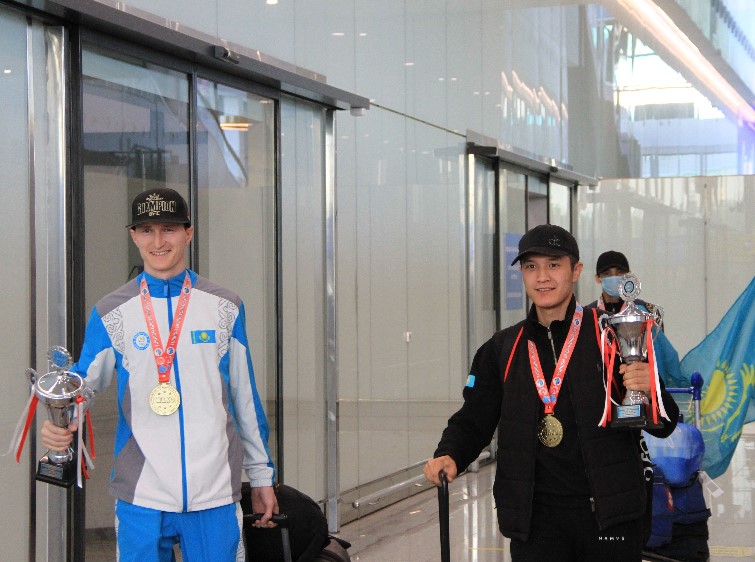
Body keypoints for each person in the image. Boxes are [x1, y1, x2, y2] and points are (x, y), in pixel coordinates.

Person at [40, 187, 277, 561]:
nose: (158, 241)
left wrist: (261, 476)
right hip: (141, 495)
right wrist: (60, 424)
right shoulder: (111, 312)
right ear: (133, 236)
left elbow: (244, 399)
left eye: (169, 229)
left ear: (188, 233)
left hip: (214, 491)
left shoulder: (225, 306)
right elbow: (82, 388)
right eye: (147, 230)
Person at [423, 224, 679, 562]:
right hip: (536, 522)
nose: (542, 277)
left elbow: (665, 424)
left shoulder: (613, 336)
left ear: (576, 271)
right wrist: (450, 453)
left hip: (610, 516)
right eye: (531, 266)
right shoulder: (502, 349)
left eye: (554, 264)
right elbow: (474, 419)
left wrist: (652, 390)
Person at [586, 250, 683, 387]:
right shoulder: (588, 314)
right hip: (602, 388)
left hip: (643, 387)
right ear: (598, 278)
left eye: (620, 272)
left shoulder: (646, 312)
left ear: (629, 275)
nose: (614, 278)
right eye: (607, 273)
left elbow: (664, 356)